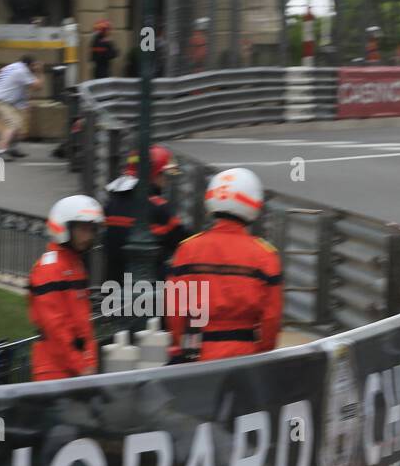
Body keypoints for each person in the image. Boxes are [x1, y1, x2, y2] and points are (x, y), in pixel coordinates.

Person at [165, 168, 282, 363]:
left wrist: (184, 344)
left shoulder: (187, 249)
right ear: (253, 204)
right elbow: (271, 319)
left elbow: (175, 312)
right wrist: (262, 351)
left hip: (195, 351)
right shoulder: (265, 255)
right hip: (244, 352)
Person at [28, 196, 104, 381]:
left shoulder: (74, 265)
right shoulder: (50, 268)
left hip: (75, 369)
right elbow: (56, 327)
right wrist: (83, 366)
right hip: (54, 372)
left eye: (92, 230)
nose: (89, 237)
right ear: (64, 228)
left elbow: (83, 325)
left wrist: (89, 363)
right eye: (83, 229)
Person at [103, 145, 185, 286]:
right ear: (153, 174)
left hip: (113, 285)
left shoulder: (111, 203)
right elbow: (183, 241)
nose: (166, 181)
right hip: (149, 290)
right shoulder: (159, 208)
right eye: (163, 175)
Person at [0, 55, 42, 161]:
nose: (35, 68)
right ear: (29, 65)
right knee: (13, 123)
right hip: (0, 102)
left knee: (17, 123)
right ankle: (0, 152)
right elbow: (37, 86)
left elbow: (18, 89)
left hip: (1, 100)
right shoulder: (22, 70)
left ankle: (12, 148)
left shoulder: (12, 67)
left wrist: (24, 107)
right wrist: (39, 71)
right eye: (34, 66)